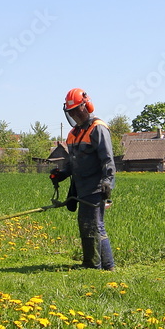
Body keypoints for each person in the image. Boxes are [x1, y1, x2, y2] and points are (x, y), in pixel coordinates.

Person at [50, 88, 116, 271]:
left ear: (86, 107)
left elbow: (107, 159)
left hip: (96, 187)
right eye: (71, 112)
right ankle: (99, 265)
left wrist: (107, 182)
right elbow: (73, 163)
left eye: (77, 111)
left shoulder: (98, 129)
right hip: (81, 188)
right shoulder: (72, 134)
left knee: (94, 226)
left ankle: (98, 265)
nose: (75, 115)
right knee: (88, 226)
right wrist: (62, 174)